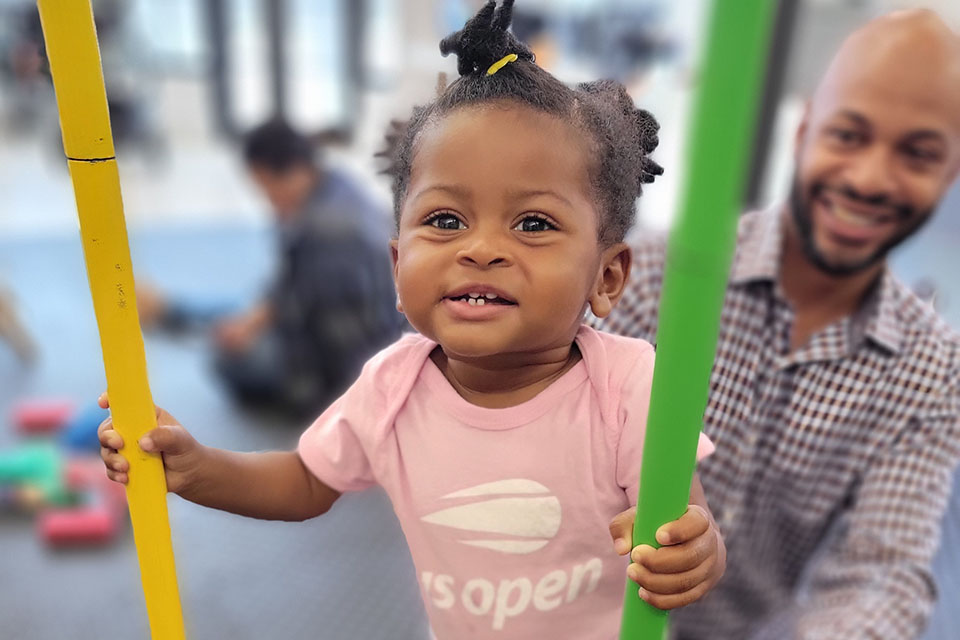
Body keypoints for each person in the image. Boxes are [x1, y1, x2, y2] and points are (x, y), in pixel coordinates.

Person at [98, 2, 725, 637]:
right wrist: (198, 467)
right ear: (398, 269)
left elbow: (686, 525)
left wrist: (692, 551)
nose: (480, 249)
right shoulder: (392, 387)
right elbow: (306, 481)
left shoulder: (629, 390)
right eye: (445, 221)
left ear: (607, 276)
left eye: (533, 224)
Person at [601, 9, 960, 639]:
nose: (871, 177)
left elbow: (880, 575)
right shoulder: (653, 277)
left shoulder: (933, 368)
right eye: (848, 135)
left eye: (918, 154)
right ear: (803, 134)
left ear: (950, 174)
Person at [139, 118, 404, 416]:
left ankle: (169, 312)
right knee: (243, 311)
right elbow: (288, 289)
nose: (268, 202)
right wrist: (253, 319)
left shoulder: (325, 231)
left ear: (287, 172)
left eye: (266, 189)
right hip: (349, 324)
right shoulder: (335, 185)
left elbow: (327, 336)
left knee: (226, 358)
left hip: (343, 362)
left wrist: (248, 329)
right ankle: (168, 309)